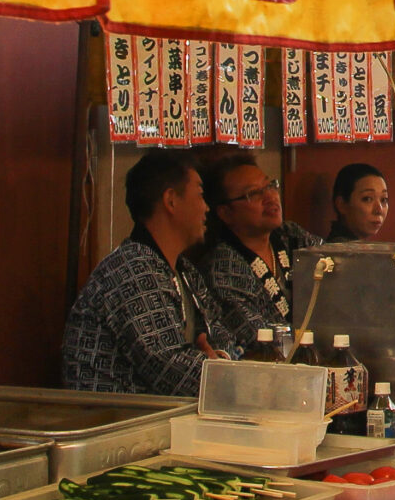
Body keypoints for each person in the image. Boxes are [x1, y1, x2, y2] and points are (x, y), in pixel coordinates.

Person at [61, 150, 217, 395]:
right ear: (171, 200)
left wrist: (221, 358)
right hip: (116, 415)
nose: (206, 208)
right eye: (199, 195)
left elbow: (220, 333)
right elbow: (170, 369)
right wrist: (222, 371)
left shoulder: (184, 271)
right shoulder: (132, 269)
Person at [187, 150, 321, 354]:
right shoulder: (223, 267)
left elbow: (333, 266)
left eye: (269, 186)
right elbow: (258, 339)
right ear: (225, 212)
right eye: (253, 194)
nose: (270, 197)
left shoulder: (290, 235)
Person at [324, 162, 391, 241]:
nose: (379, 210)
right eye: (367, 199)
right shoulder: (336, 248)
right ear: (342, 204)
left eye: (383, 199)